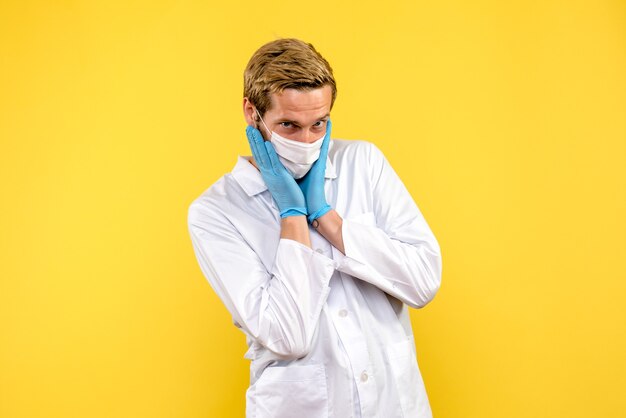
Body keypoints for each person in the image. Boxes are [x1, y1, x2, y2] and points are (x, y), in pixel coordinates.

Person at [187, 38, 442, 418]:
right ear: (251, 113)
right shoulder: (217, 211)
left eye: (318, 124)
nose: (307, 141)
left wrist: (325, 215)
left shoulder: (363, 162)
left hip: (393, 404)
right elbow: (286, 336)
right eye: (288, 125)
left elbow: (423, 281)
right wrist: (292, 215)